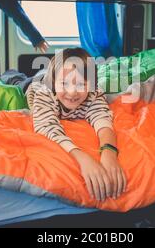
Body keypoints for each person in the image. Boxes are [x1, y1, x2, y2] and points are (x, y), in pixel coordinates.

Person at [26, 47, 126, 202]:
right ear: (54, 83)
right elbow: (47, 126)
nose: (72, 92)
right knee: (17, 80)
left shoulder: (94, 94)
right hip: (33, 86)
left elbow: (103, 121)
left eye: (81, 84)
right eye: (64, 83)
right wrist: (82, 158)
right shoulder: (45, 94)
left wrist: (109, 152)